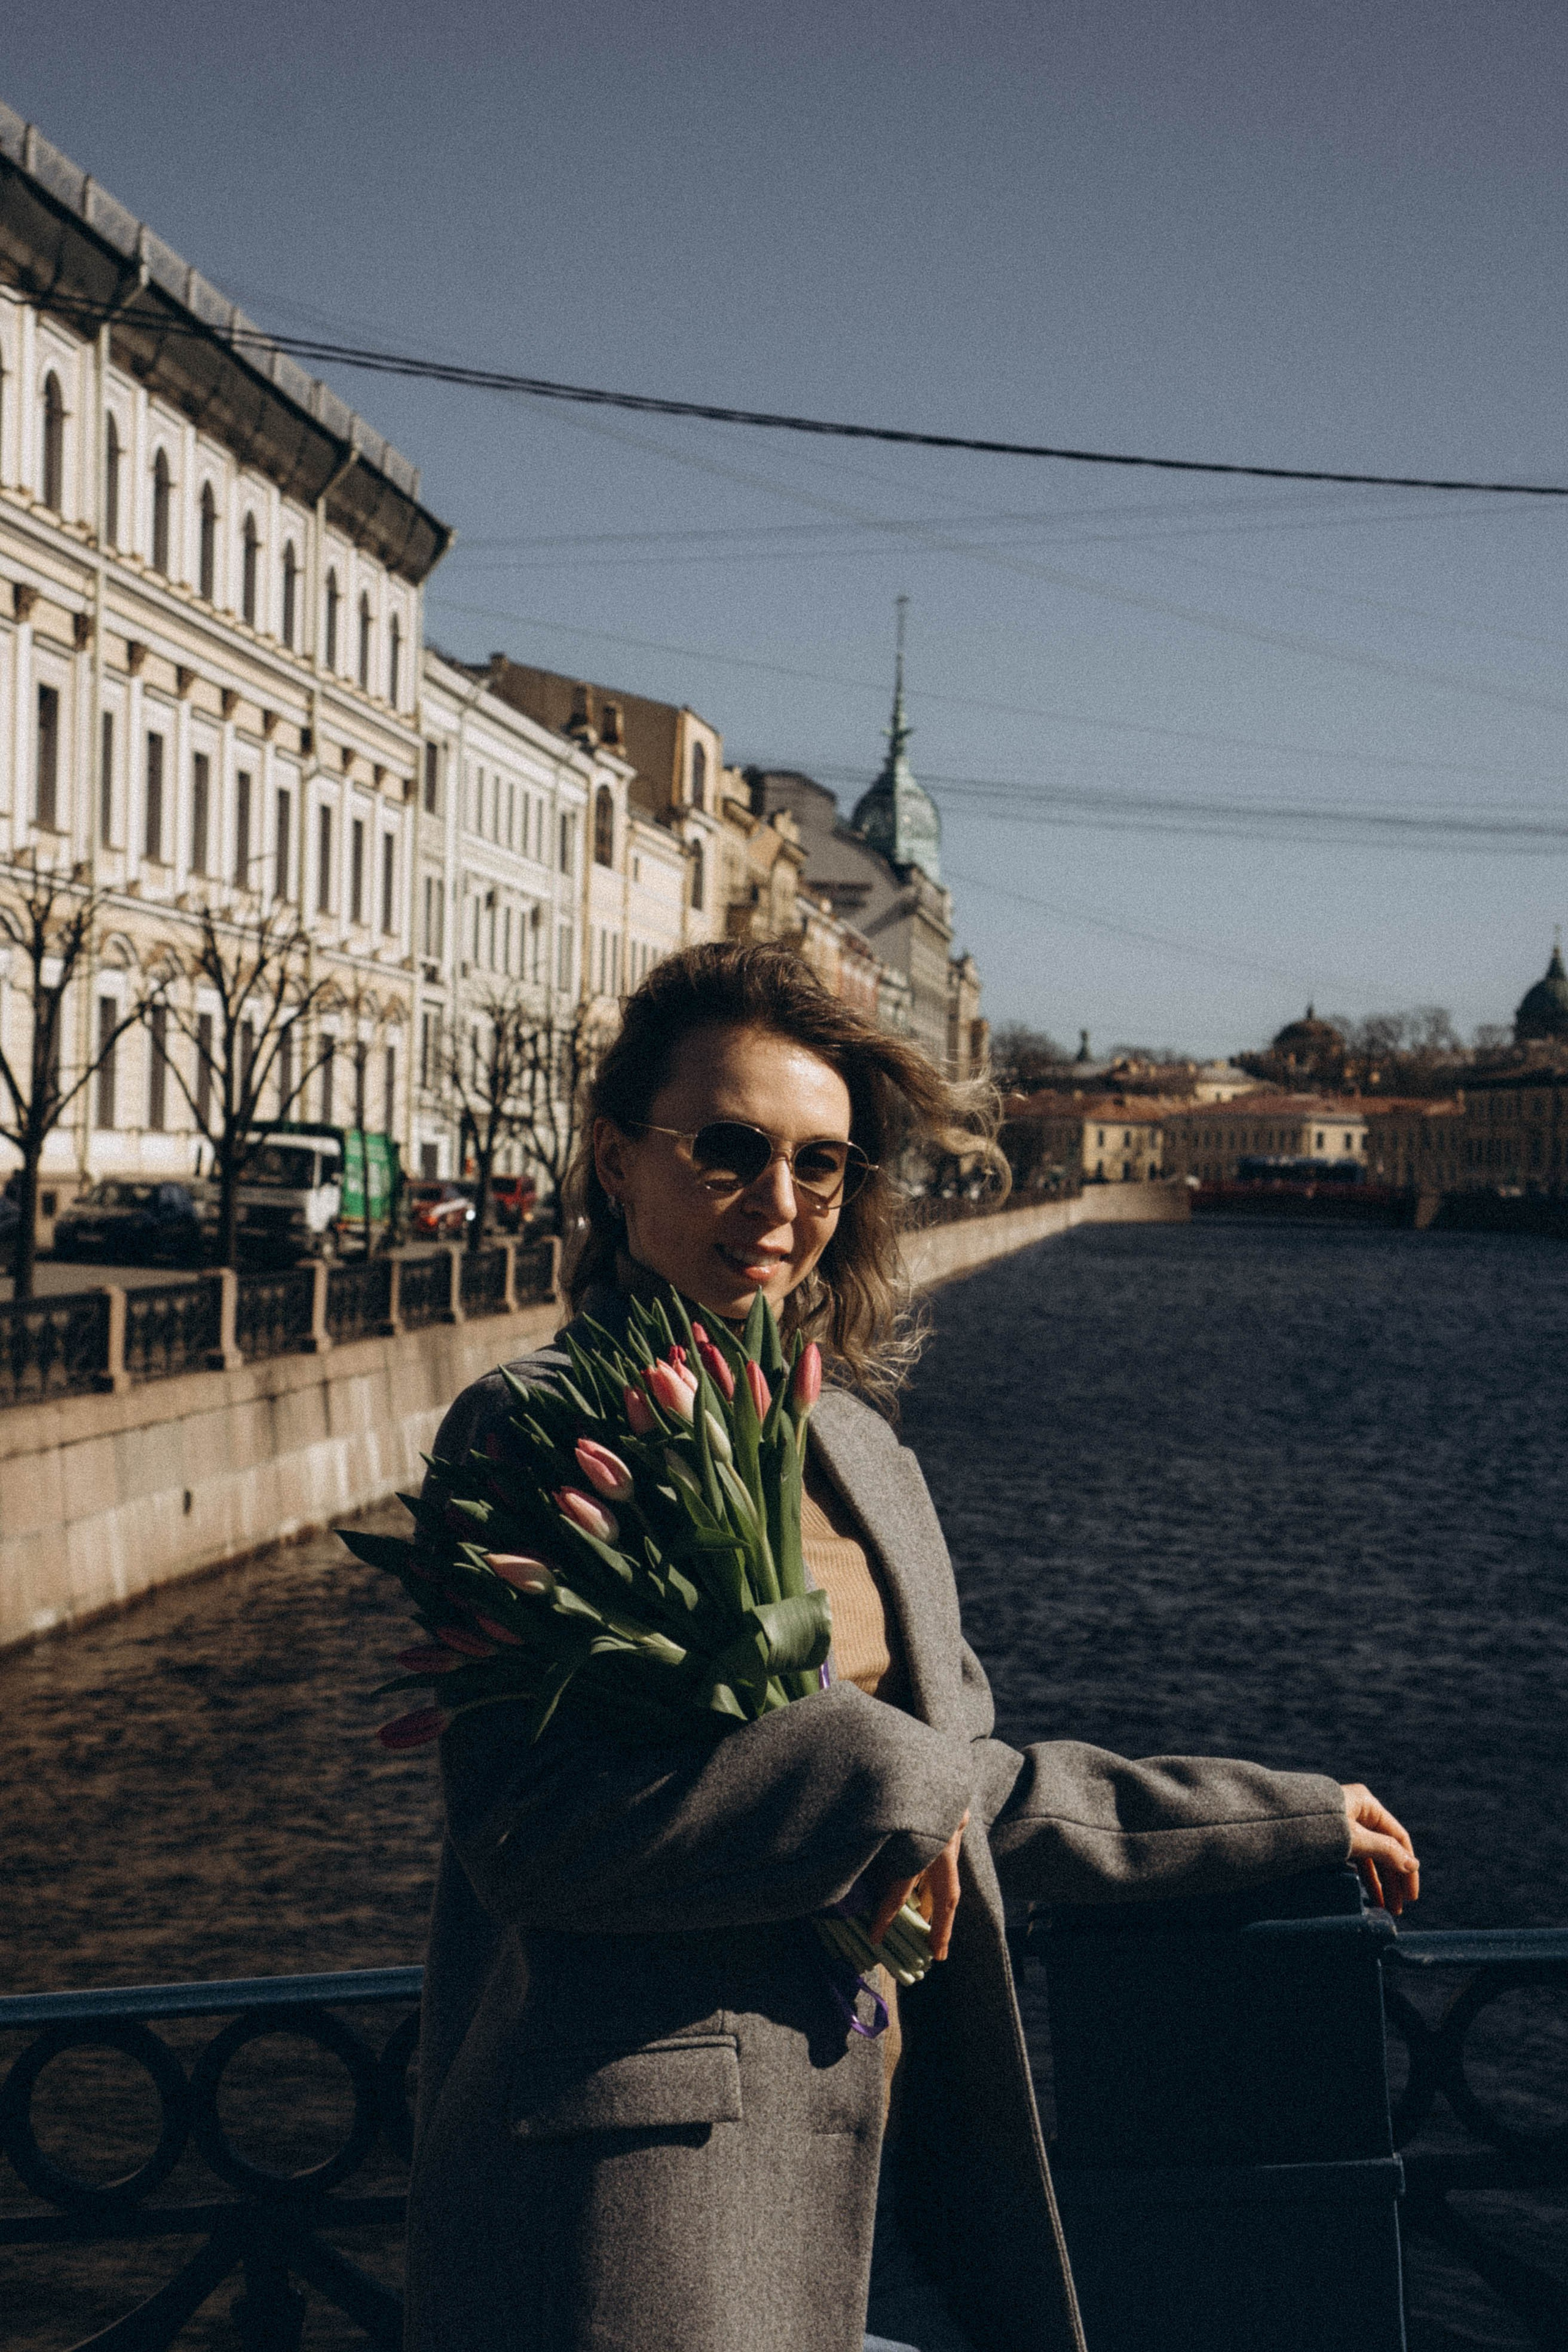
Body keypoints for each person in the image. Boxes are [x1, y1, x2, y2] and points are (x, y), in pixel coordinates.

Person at [404, 943, 1418, 2352]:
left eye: (819, 1165)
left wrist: (1276, 1816)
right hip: (651, 2203)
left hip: (902, 2164)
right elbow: (529, 1830)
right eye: (729, 1148)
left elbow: (959, 1783)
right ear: (616, 1155)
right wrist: (868, 1764)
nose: (777, 1203)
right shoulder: (531, 1431)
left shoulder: (860, 1452)